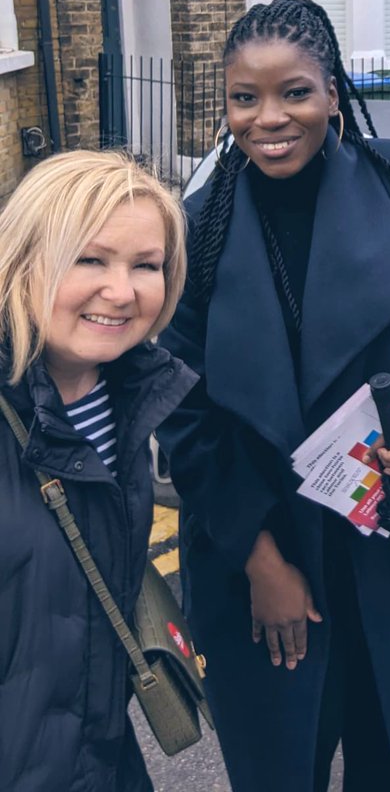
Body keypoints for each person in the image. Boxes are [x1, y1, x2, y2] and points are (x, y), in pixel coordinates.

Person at [157, 0, 390, 792]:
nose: (269, 118)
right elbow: (181, 407)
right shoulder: (200, 227)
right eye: (243, 98)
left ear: (332, 91)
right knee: (283, 758)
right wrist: (259, 559)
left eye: (295, 92)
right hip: (269, 541)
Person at [0, 150, 193, 792]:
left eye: (146, 265)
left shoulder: (124, 396)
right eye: (89, 259)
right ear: (25, 259)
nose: (122, 291)